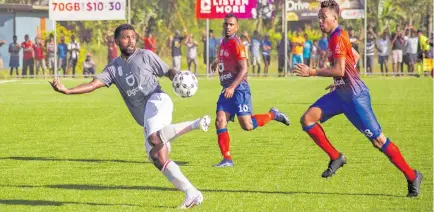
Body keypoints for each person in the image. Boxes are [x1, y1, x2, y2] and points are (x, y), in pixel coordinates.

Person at [49, 24, 209, 209]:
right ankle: (192, 193)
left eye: (133, 36)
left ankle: (196, 123)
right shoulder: (113, 69)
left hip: (157, 100)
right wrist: (67, 90)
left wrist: (179, 77)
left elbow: (167, 71)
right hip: (146, 116)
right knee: (157, 157)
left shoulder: (145, 55)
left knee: (154, 137)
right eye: (126, 37)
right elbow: (93, 84)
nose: (131, 40)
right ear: (117, 41)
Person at [293, 0, 422, 197]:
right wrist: (339, 81)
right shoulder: (335, 36)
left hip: (355, 98)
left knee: (379, 141)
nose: (320, 21)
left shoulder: (338, 37)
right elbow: (355, 57)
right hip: (341, 94)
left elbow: (340, 68)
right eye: (319, 17)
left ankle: (412, 176)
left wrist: (312, 72)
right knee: (307, 119)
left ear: (334, 18)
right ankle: (336, 157)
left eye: (323, 17)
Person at [210, 14, 290, 167]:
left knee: (247, 125)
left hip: (239, 89)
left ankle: (273, 114)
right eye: (226, 24)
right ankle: (227, 160)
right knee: (220, 121)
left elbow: (244, 69)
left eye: (231, 24)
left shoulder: (236, 43)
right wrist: (216, 62)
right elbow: (225, 57)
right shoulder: (223, 42)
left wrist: (233, 87)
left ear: (236, 27)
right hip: (227, 90)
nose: (228, 27)